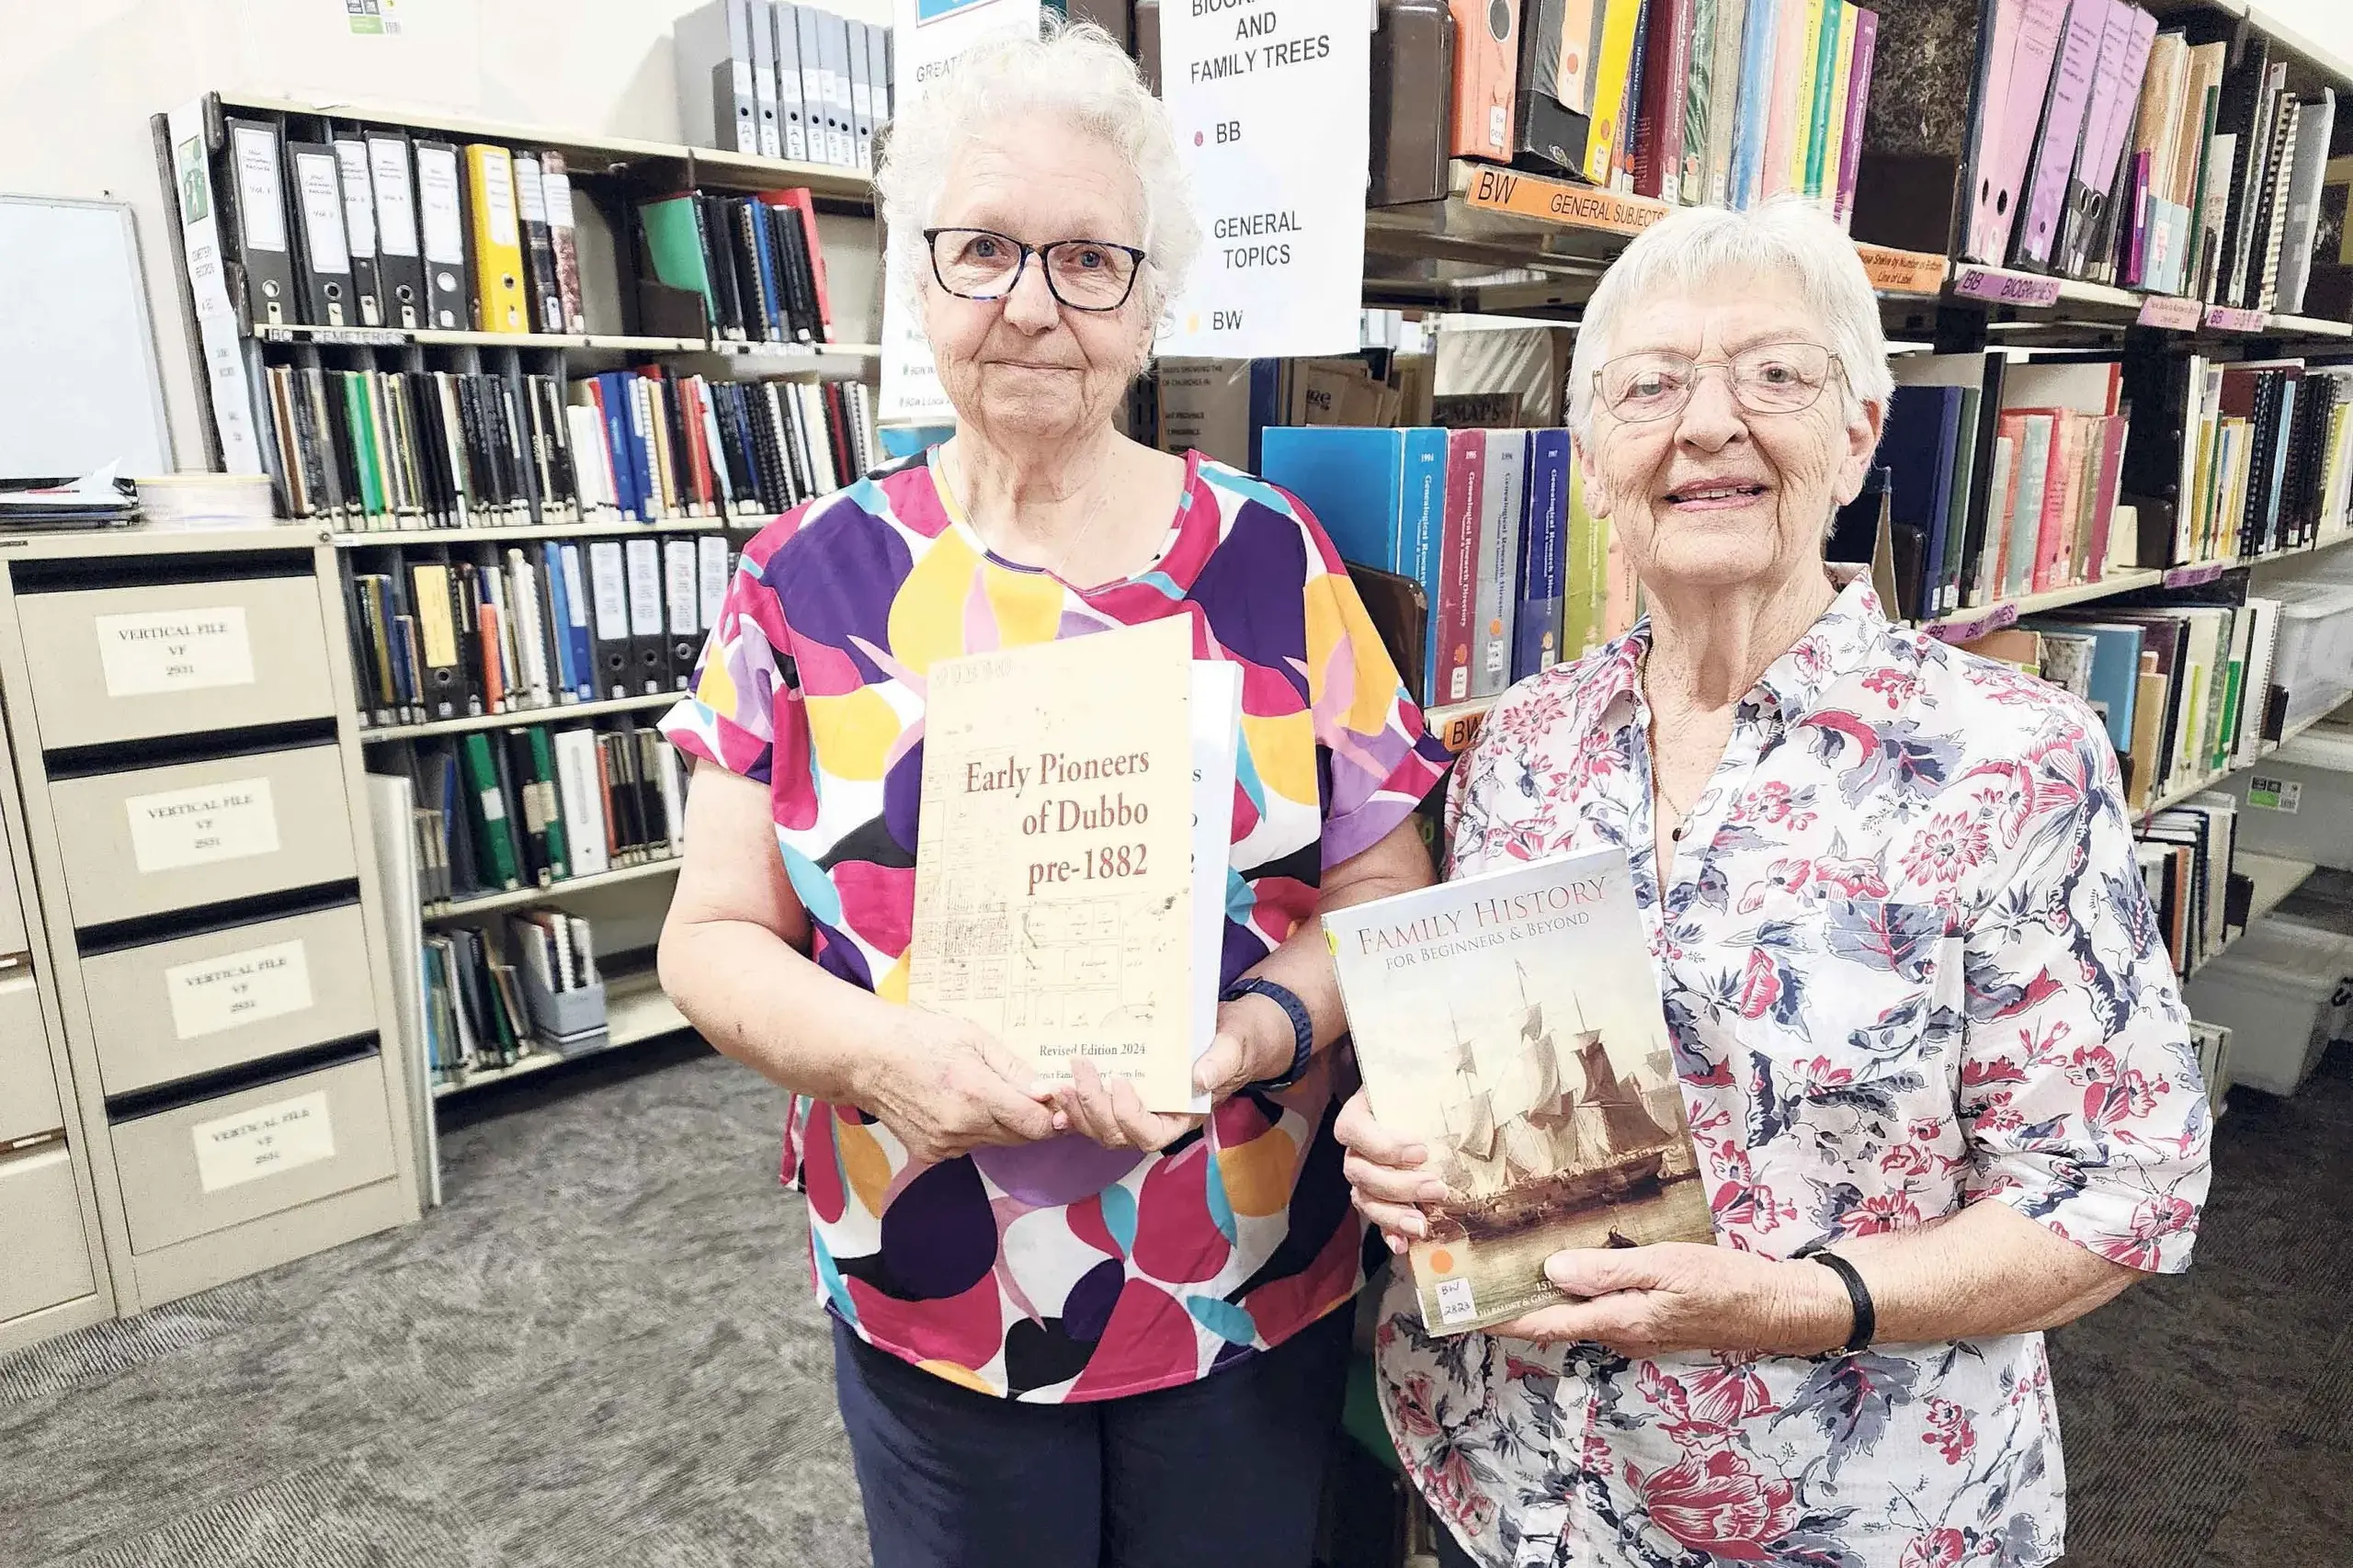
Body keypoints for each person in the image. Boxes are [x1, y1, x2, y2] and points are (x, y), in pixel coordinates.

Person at [655, 23, 1448, 1568]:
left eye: (1090, 259)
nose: (1032, 301)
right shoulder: (800, 580)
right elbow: (710, 934)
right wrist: (888, 1053)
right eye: (985, 250)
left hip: (1239, 1251)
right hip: (932, 1259)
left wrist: (1249, 1035)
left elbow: (1386, 888)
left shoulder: (1272, 561)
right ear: (922, 276)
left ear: (1151, 302)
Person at [1337, 199, 2214, 1568]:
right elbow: (1491, 1084)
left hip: (1847, 1515)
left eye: (1775, 373)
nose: (1707, 424)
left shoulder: (2010, 762)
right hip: (1516, 1490)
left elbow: (2120, 1191)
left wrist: (1794, 1303)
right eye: (1651, 384)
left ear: (1859, 432)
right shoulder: (1518, 746)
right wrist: (1402, 1150)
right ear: (1591, 458)